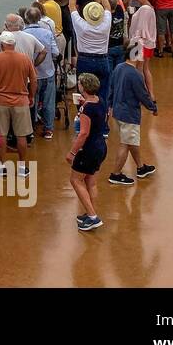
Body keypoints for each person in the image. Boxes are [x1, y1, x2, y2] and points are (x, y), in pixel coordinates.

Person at [0, 30, 36, 177]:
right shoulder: (24, 59)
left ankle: (1, 166)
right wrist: (31, 95)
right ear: (14, 44)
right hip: (21, 101)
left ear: (2, 45)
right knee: (21, 135)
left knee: (2, 134)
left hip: (1, 101)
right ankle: (22, 167)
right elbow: (33, 80)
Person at [107, 44, 158, 185]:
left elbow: (111, 87)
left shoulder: (118, 68)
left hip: (117, 112)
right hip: (129, 115)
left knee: (131, 142)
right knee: (126, 143)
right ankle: (115, 174)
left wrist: (110, 105)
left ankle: (141, 168)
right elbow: (142, 94)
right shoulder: (135, 74)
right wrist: (152, 107)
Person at [66, 73, 107, 232]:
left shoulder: (86, 110)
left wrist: (72, 152)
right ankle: (91, 213)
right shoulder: (100, 101)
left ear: (83, 87)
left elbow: (83, 133)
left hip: (88, 150)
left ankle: (92, 217)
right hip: (100, 147)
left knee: (75, 180)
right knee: (91, 181)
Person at [71, 0, 113, 123]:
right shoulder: (106, 25)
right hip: (102, 60)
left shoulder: (82, 26)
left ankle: (82, 117)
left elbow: (72, 6)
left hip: (85, 60)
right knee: (103, 92)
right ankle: (103, 124)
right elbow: (108, 7)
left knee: (82, 90)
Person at [25, 6, 59, 139]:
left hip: (30, 76)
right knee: (48, 102)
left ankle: (31, 128)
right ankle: (48, 129)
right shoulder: (47, 33)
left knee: (32, 100)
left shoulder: (24, 33)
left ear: (26, 18)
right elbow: (56, 52)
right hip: (48, 72)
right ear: (40, 18)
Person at [128, 0, 157, 98]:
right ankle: (150, 93)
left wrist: (134, 44)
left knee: (139, 69)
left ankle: (141, 94)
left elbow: (141, 29)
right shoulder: (149, 7)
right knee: (145, 68)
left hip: (140, 42)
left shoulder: (144, 9)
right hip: (148, 43)